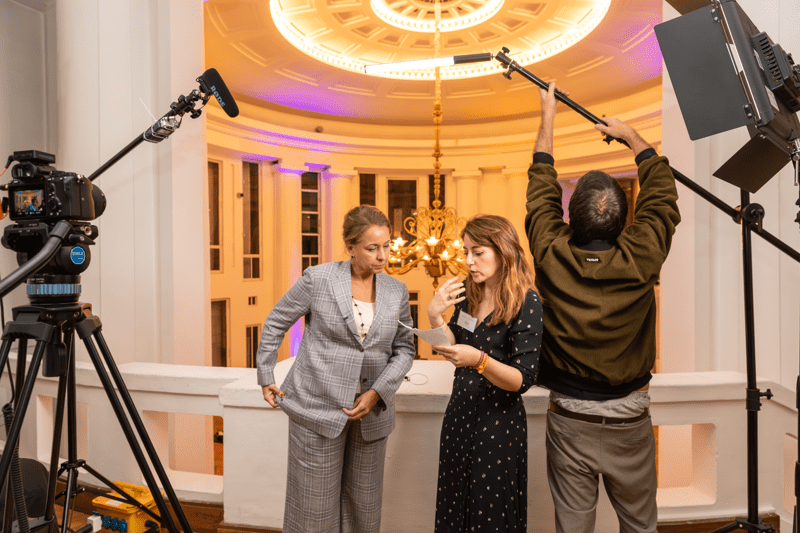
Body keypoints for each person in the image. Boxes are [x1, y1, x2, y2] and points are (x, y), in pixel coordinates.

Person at [525, 83, 681, 533]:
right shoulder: (642, 255)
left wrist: (548, 117)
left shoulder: (551, 253)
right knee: (640, 527)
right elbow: (661, 194)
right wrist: (631, 136)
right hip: (630, 420)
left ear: (570, 217)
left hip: (570, 421)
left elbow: (540, 189)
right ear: (623, 220)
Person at [256, 205, 415, 533]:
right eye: (372, 248)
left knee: (363, 511)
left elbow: (404, 350)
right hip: (316, 409)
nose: (382, 256)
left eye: (387, 246)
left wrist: (377, 392)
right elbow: (275, 322)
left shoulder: (397, 291)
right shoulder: (318, 279)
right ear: (351, 247)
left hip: (371, 416)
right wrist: (266, 374)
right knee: (312, 510)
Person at [428, 214, 543, 533]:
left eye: (478, 252)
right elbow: (454, 342)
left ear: (503, 251)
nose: (469, 261)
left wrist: (479, 360)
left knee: (490, 514)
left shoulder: (526, 300)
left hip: (498, 423)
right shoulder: (470, 293)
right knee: (454, 506)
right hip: (459, 417)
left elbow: (522, 379)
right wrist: (435, 316)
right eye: (466, 252)